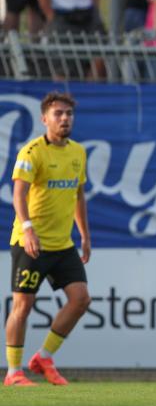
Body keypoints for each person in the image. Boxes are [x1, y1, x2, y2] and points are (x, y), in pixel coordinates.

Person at [4, 92, 90, 387]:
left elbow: (79, 195)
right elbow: (18, 194)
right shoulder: (31, 152)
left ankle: (43, 357)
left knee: (80, 300)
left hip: (63, 244)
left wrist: (85, 236)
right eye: (58, 114)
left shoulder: (78, 151)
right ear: (44, 119)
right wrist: (27, 229)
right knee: (23, 306)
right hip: (32, 243)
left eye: (68, 113)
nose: (65, 118)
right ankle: (14, 372)